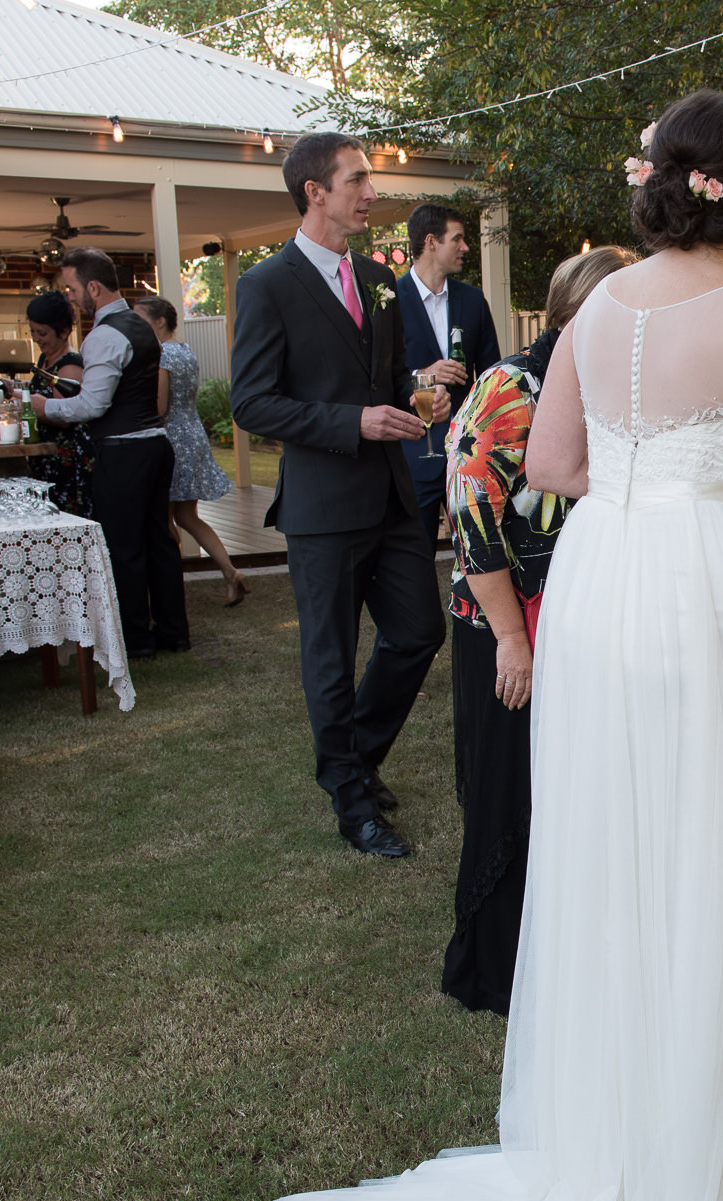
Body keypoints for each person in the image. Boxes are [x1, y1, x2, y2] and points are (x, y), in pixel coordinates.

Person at [220, 89, 723, 1201]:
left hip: (605, 580)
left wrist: (648, 482)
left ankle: (618, 1113)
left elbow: (547, 470)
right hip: (711, 584)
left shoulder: (590, 316)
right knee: (720, 829)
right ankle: (717, 1116)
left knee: (619, 835)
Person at [227, 131, 447, 859]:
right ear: (313, 191)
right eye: (356, 180)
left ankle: (355, 754)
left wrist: (418, 398)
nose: (371, 193)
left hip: (390, 497)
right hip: (322, 507)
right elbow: (253, 404)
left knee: (419, 630)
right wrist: (352, 421)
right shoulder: (266, 285)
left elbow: (383, 384)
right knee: (330, 656)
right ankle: (352, 803)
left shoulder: (378, 277)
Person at [439, 244, 636, 1016]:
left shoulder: (606, 385)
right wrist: (512, 640)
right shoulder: (511, 385)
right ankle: (493, 971)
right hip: (504, 624)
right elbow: (472, 512)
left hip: (579, 617)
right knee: (508, 791)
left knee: (565, 791)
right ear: (580, 313)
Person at [31, 247, 189, 659]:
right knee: (158, 541)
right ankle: (174, 632)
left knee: (125, 547)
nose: (70, 297)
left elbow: (92, 406)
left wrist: (44, 407)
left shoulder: (104, 335)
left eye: (72, 289)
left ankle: (136, 640)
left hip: (123, 453)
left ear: (94, 288)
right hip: (155, 446)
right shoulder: (141, 327)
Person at [132, 296, 248, 608]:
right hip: (193, 433)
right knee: (187, 516)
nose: (134, 326)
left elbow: (159, 406)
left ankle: (169, 585)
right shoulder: (184, 350)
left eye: (139, 319)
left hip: (172, 439)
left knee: (164, 517)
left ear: (159, 322)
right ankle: (229, 571)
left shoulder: (162, 355)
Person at [397, 202, 505, 537]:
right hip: (414, 457)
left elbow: (491, 378)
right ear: (431, 242)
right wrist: (423, 377)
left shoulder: (473, 301)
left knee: (481, 552)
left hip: (468, 458)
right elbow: (378, 381)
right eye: (457, 239)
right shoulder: (390, 301)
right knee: (415, 560)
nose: (465, 247)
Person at [23, 290, 93, 518]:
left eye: (42, 332)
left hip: (66, 462)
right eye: (33, 331)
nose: (36, 338)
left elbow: (65, 416)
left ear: (63, 331)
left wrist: (31, 405)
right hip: (46, 459)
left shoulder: (70, 365)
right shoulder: (46, 358)